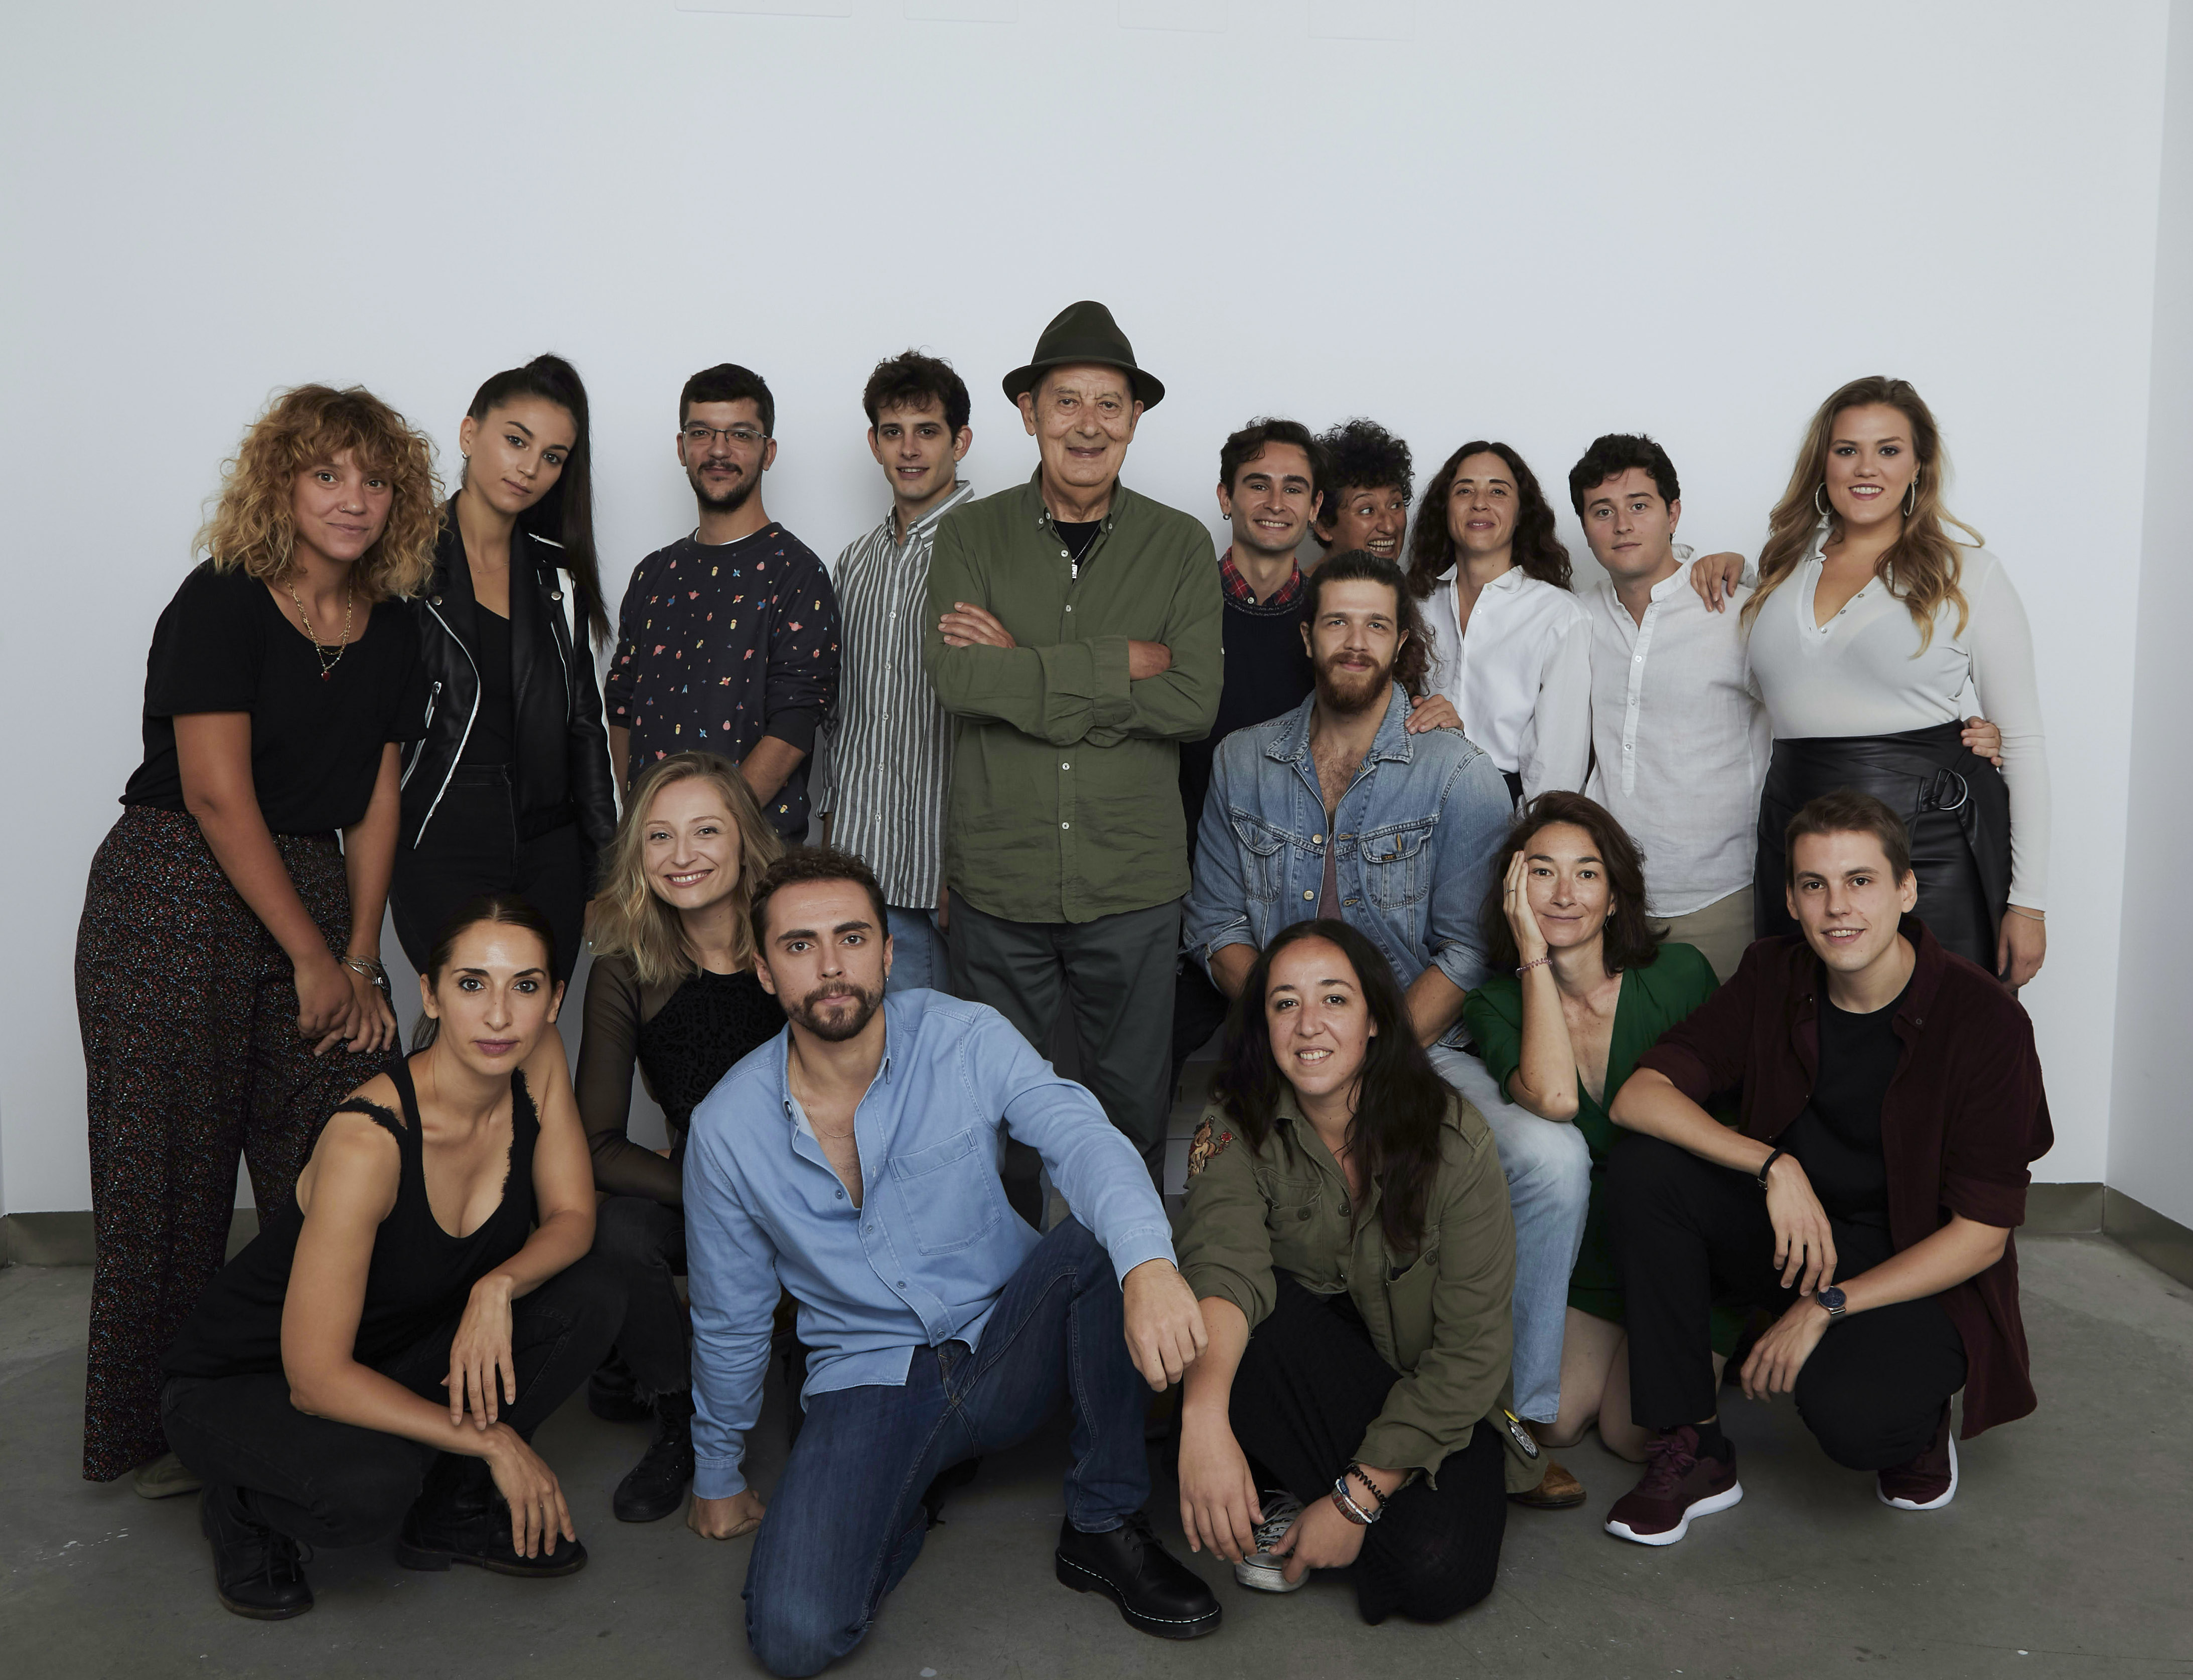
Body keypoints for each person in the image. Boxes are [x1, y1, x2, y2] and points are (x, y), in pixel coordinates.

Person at [681, 849, 1222, 1673]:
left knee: (1101, 1239)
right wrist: (718, 1469)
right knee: (793, 1636)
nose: (830, 966)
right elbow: (731, 1313)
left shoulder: (963, 1036)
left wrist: (1149, 1263)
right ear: (763, 970)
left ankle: (1103, 1523)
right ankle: (907, 1488)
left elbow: (1080, 1135)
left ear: (886, 952)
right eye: (798, 945)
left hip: (1009, 1341)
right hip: (867, 1378)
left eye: (851, 937)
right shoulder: (726, 1128)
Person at [77, 384, 435, 1496]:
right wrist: (312, 958)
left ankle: (303, 1390)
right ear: (281, 485)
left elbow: (378, 801)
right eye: (328, 474)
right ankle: (157, 1425)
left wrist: (361, 957)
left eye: (375, 480)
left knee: (346, 1146)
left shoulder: (398, 628)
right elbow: (215, 792)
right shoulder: (221, 601)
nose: (354, 499)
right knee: (166, 1176)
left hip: (314, 887)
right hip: (173, 889)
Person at [1183, 548, 1590, 1506]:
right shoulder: (1243, 760)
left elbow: (1467, 948)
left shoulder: (1457, 771)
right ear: (1307, 636)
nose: (1355, 641)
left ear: (1403, 642)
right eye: (1337, 622)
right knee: (1212, 1176)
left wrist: (1378, 1054)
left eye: (1376, 624)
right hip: (1286, 1044)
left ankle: (1512, 1415)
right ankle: (1225, 1392)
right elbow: (1214, 928)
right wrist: (1297, 1028)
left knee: (1552, 1162)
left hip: (1420, 1042)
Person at [1601, 792, 2052, 1545]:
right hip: (1797, 1239)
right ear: (1791, 900)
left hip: (1916, 1263)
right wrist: (1773, 1165)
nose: (1836, 907)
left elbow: (1981, 1236)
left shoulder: (1985, 1021)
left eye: (1860, 881)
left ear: (1906, 890)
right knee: (1647, 1170)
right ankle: (1694, 1447)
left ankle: (1916, 1425)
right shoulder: (1772, 973)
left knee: (1858, 1424)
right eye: (1814, 884)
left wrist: (1824, 1308)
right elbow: (1639, 1098)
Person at [162, 897, 622, 1618]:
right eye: (472, 984)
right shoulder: (367, 1142)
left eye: (525, 986)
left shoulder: (537, 1058)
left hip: (388, 1349)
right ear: (430, 995)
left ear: (554, 1000)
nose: (499, 1016)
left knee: (591, 1290)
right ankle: (240, 1505)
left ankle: (451, 1512)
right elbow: (315, 1378)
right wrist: (495, 1442)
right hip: (250, 1381)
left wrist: (497, 1287)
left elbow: (573, 1216)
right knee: (368, 1490)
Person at [925, 300, 1221, 1200]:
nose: (1087, 424)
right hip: (998, 882)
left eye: (1108, 403)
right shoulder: (969, 534)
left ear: (1134, 419)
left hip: (1130, 887)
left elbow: (1191, 702)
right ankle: (1007, 1288)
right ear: (1028, 413)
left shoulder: (1179, 544)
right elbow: (959, 680)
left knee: (1129, 1116)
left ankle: (1121, 1283)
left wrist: (1021, 667)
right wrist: (1112, 665)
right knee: (994, 1118)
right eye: (1066, 401)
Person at [1174, 920, 1526, 1623]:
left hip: (1423, 1389)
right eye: (1284, 1003)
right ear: (1263, 1026)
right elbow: (1222, 1273)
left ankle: (1299, 1485)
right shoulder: (1234, 1123)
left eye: (1334, 999)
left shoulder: (1454, 1139)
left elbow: (1471, 1354)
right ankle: (1260, 1466)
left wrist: (1352, 1503)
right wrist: (1202, 1421)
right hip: (1295, 1366)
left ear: (1373, 1020)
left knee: (1439, 1572)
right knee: (1243, 1316)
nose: (1309, 1025)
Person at [1571, 434, 2005, 983]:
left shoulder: (1736, 611)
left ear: (1673, 513)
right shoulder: (1575, 619)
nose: (1622, 525)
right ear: (1583, 525)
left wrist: (1949, 740)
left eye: (1639, 506)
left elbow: (1828, 699)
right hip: (1611, 895)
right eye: (1602, 511)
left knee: (1741, 1036)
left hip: (1724, 893)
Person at [1693, 376, 2048, 985]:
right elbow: (1774, 677)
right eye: (1847, 449)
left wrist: (2029, 903)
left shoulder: (1969, 573)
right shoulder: (1781, 567)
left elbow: (2023, 743)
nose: (1866, 468)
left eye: (1888, 450)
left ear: (1919, 465)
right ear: (1823, 461)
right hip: (1797, 836)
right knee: (1797, 1023)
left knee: (1939, 1029)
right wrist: (1715, 564)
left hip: (1931, 845)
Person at [1461, 791, 1729, 1462]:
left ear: (1613, 898)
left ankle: (1721, 1334)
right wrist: (1532, 955)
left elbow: (1733, 1121)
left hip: (1683, 1243)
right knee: (1550, 1422)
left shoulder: (1680, 977)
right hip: (1595, 1249)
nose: (1563, 894)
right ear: (1513, 891)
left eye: (1586, 873)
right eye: (1541, 872)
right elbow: (1554, 1098)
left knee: (1632, 1435)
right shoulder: (1493, 1004)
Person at [574, 752, 786, 1522]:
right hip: (704, 1199)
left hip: (821, 1187)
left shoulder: (792, 935)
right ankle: (677, 1416)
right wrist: (709, 1188)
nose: (681, 855)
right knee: (614, 1228)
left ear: (743, 837)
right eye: (659, 836)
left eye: (705, 831)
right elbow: (596, 1144)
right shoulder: (626, 967)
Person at [393, 354, 617, 987]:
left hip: (551, 852)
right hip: (440, 839)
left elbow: (585, 729)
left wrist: (604, 872)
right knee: (465, 1024)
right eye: (516, 441)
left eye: (553, 456)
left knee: (535, 1023)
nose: (530, 468)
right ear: (470, 434)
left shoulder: (558, 575)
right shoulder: (400, 567)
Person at [606, 362, 842, 840]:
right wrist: (648, 828)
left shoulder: (797, 573)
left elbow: (794, 724)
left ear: (767, 452)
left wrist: (705, 833)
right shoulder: (652, 574)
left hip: (756, 852)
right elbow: (622, 707)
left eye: (740, 435)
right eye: (702, 433)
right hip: (653, 854)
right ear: (681, 448)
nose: (718, 450)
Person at [812, 350, 975, 993]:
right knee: (867, 1042)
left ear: (960, 441)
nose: (909, 449)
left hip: (949, 872)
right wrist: (833, 835)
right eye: (893, 432)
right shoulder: (853, 562)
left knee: (948, 1046)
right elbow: (840, 712)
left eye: (927, 431)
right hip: (860, 868)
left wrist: (967, 862)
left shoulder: (993, 550)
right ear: (874, 443)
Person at [1406, 440, 1590, 805]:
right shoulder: (1415, 605)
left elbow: (1558, 768)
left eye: (1498, 491)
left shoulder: (1559, 616)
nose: (1479, 503)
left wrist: (1528, 832)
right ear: (1445, 508)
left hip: (1509, 805)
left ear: (1521, 513)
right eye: (1464, 490)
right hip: (1413, 796)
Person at [1311, 418, 1413, 568]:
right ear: (1324, 526)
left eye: (1395, 506)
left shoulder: (1411, 583)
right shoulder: (1298, 584)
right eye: (1367, 510)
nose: (1389, 527)